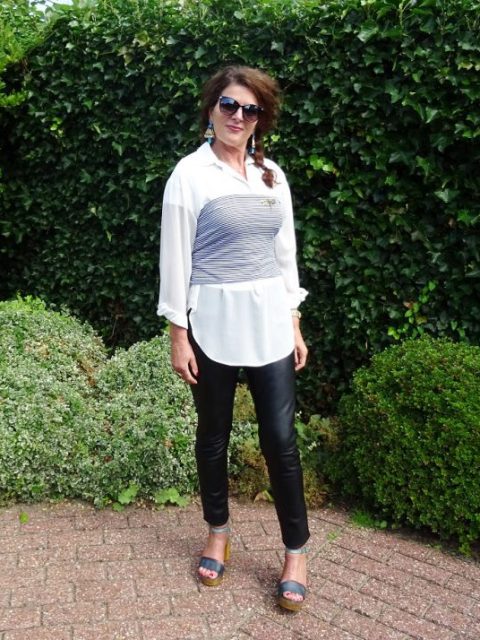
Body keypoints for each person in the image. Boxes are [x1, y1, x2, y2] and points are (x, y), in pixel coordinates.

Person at [157, 65, 310, 612]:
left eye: (250, 109)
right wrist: (178, 333)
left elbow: (284, 252)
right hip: (212, 323)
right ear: (211, 110)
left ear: (260, 118)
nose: (238, 117)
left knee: (280, 439)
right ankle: (218, 533)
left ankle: (296, 552)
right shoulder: (189, 175)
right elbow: (175, 258)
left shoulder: (272, 176)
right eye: (229, 105)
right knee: (213, 437)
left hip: (269, 321)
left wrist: (293, 319)